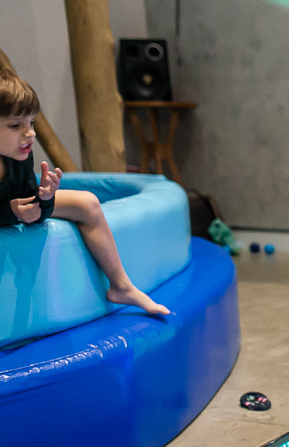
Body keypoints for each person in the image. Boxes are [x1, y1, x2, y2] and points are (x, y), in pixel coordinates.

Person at [0, 70, 169, 316]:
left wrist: (43, 199)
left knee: (87, 203)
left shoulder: (20, 152)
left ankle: (122, 286)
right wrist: (10, 212)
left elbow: (28, 204)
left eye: (31, 123)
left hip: (8, 209)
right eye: (15, 125)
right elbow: (11, 209)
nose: (30, 133)